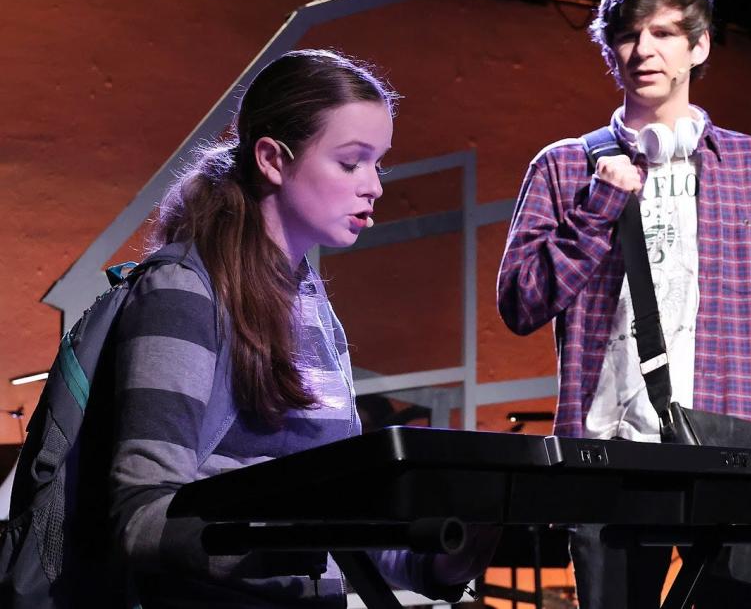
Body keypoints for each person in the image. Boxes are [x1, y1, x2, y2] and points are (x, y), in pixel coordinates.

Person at [110, 49, 493, 608]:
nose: (374, 187)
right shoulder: (182, 292)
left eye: (378, 164)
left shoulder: (311, 304)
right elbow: (138, 516)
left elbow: (344, 525)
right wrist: (287, 545)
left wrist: (442, 560)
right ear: (271, 158)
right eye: (350, 162)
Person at [496, 0, 751, 608]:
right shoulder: (566, 166)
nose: (644, 49)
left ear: (698, 47)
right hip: (609, 456)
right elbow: (520, 303)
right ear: (610, 49)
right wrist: (598, 207)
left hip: (731, 444)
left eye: (665, 33)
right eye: (627, 35)